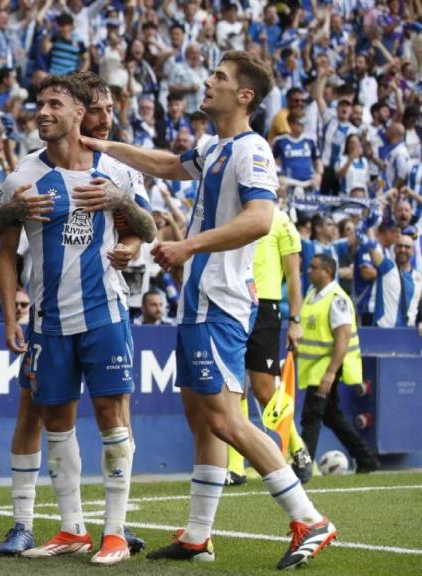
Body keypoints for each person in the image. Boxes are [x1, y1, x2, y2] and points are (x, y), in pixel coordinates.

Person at [82, 50, 336, 569]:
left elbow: (261, 219)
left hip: (221, 302)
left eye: (220, 77)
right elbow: (166, 164)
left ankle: (309, 518)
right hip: (200, 302)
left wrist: (188, 247)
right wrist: (101, 144)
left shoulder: (252, 149)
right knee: (202, 418)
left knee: (226, 419)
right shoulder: (214, 147)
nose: (209, 81)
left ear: (244, 95)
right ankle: (198, 535)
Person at [0, 72, 154, 561]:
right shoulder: (23, 176)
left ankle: (114, 532)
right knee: (55, 419)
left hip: (105, 312)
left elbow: (148, 226)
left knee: (113, 418)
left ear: (78, 113)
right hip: (48, 322)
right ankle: (73, 529)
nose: (43, 111)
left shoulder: (116, 169)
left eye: (54, 103)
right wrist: (12, 310)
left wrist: (120, 208)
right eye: (40, 104)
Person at [226, 207, 312, 487]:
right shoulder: (232, 212)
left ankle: (297, 448)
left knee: (264, 389)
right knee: (234, 384)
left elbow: (294, 275)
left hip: (265, 306)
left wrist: (295, 320)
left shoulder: (281, 220)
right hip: (233, 303)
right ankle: (236, 467)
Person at [298, 254, 381, 473]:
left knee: (311, 415)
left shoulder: (337, 299)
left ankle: (303, 466)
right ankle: (366, 459)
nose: (309, 270)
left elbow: (342, 338)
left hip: (326, 368)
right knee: (332, 416)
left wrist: (330, 372)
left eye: (314, 267)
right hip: (316, 367)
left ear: (328, 271)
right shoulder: (312, 294)